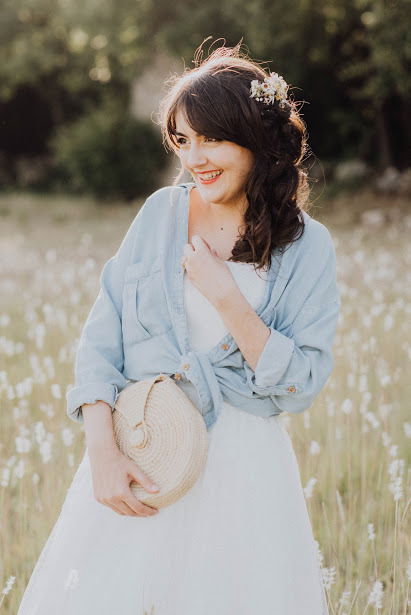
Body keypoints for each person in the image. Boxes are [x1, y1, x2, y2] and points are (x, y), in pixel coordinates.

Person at [16, 40, 340, 615]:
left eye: (212, 137)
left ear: (259, 141)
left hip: (245, 470)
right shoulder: (160, 215)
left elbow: (303, 382)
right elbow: (101, 337)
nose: (195, 158)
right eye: (183, 141)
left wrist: (226, 295)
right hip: (143, 451)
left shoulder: (309, 248)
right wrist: (101, 452)